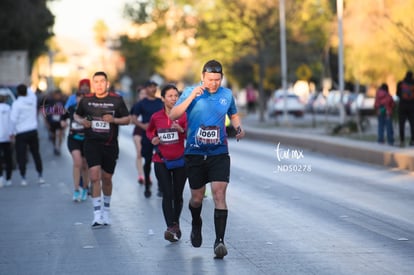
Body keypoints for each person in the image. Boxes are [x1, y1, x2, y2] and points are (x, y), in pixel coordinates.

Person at [170, 60, 245, 259]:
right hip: (194, 153)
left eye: (218, 80)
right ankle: (196, 223)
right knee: (196, 198)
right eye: (210, 79)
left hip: (218, 152)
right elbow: (173, 114)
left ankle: (219, 241)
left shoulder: (227, 94)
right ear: (202, 77)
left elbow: (234, 115)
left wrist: (238, 127)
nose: (214, 83)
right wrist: (191, 97)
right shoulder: (190, 92)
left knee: (219, 194)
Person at [74, 71, 130, 228]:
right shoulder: (86, 100)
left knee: (107, 178)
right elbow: (76, 116)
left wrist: (114, 120)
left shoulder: (116, 100)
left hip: (110, 145)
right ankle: (97, 214)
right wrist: (82, 121)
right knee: (94, 176)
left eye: (101, 81)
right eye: (96, 82)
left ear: (107, 83)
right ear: (93, 84)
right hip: (91, 143)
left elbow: (127, 119)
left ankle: (106, 210)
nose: (99, 84)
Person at [146, 84, 187, 242]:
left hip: (181, 160)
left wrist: (181, 130)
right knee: (167, 193)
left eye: (176, 96)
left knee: (177, 195)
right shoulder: (156, 117)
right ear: (162, 98)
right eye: (170, 96)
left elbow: (189, 134)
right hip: (161, 160)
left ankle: (175, 224)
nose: (174, 99)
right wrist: (153, 138)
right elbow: (150, 131)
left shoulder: (183, 115)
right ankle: (170, 226)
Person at [130, 80, 163, 198]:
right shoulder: (142, 103)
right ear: (146, 89)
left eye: (155, 87)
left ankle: (161, 186)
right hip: (147, 135)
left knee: (161, 161)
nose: (153, 89)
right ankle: (147, 185)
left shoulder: (160, 102)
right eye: (150, 87)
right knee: (148, 161)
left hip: (160, 135)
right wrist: (142, 125)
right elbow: (133, 118)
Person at [10, 84, 44, 186]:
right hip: (32, 131)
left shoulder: (16, 104)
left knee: (21, 155)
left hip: (21, 133)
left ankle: (23, 177)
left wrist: (12, 133)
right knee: (36, 154)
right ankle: (40, 175)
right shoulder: (32, 100)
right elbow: (31, 91)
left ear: (18, 93)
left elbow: (13, 120)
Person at [63, 90, 89, 202]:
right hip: (73, 139)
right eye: (79, 97)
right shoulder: (71, 108)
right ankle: (76, 190)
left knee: (85, 165)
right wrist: (63, 122)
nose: (81, 99)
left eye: (83, 97)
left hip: (86, 140)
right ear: (76, 98)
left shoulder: (89, 110)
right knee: (77, 162)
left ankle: (85, 189)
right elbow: (63, 117)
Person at [130, 86, 147, 184]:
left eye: (145, 93)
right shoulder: (136, 106)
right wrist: (137, 121)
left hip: (149, 131)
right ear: (139, 95)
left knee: (148, 155)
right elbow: (130, 119)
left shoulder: (150, 105)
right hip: (138, 131)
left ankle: (147, 173)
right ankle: (140, 175)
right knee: (139, 153)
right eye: (141, 94)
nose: (143, 96)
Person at [44, 89, 67, 155]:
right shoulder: (50, 101)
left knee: (59, 135)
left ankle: (58, 148)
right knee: (53, 135)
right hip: (52, 121)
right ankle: (54, 146)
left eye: (59, 94)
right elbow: (47, 112)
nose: (57, 96)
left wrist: (65, 121)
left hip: (60, 121)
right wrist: (47, 122)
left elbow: (65, 112)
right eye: (56, 94)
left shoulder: (63, 101)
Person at [396, 71, 414, 146]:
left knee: (401, 124)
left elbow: (397, 94)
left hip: (402, 106)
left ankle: (402, 141)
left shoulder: (400, 83)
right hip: (412, 107)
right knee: (412, 124)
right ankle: (412, 140)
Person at [0, 91, 13, 187]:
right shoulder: (8, 108)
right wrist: (11, 134)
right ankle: (8, 178)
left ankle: (1, 177)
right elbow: (11, 122)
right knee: (8, 158)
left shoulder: (9, 108)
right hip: (6, 137)